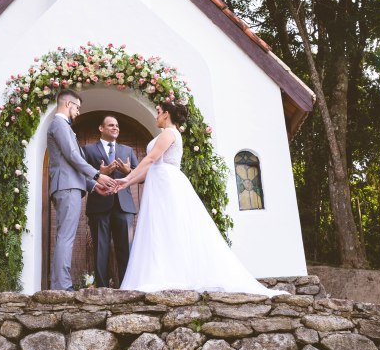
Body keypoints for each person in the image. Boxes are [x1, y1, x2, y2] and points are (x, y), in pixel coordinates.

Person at [116, 101, 286, 296]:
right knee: (158, 228)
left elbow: (151, 159)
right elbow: (149, 170)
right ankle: (162, 272)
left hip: (167, 185)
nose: (156, 116)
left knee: (170, 226)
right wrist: (127, 182)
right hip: (158, 183)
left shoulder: (169, 134)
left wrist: (127, 177)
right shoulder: (166, 134)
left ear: (167, 114)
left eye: (158, 112)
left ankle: (175, 275)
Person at [47, 88, 113, 291]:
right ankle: (62, 286)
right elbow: (73, 156)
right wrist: (97, 175)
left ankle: (61, 284)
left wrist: (94, 186)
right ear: (68, 104)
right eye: (77, 107)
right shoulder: (59, 124)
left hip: (70, 185)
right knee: (66, 236)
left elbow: (72, 165)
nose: (78, 112)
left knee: (66, 236)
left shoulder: (63, 126)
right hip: (66, 187)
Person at [83, 114, 138, 287]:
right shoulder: (88, 150)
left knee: (126, 249)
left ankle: (127, 287)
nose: (115, 128)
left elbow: (141, 176)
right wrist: (100, 174)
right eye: (111, 125)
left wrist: (129, 171)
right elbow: (82, 175)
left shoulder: (128, 151)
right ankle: (102, 289)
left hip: (124, 206)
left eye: (117, 126)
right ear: (101, 128)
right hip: (99, 205)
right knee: (101, 249)